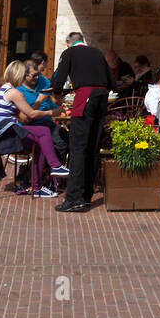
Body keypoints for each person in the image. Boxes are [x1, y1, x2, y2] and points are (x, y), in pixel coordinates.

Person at [51, 30, 115, 214]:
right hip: (102, 98)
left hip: (85, 98)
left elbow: (58, 81)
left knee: (78, 147)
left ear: (69, 43)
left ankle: (74, 199)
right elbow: (112, 82)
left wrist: (57, 91)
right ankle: (86, 195)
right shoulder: (97, 53)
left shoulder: (69, 53)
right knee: (93, 147)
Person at [0, 61, 69, 197]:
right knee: (44, 132)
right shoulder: (14, 93)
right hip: (6, 137)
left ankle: (37, 188)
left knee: (41, 144)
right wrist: (52, 113)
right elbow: (30, 114)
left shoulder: (3, 89)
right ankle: (55, 166)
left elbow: (23, 117)